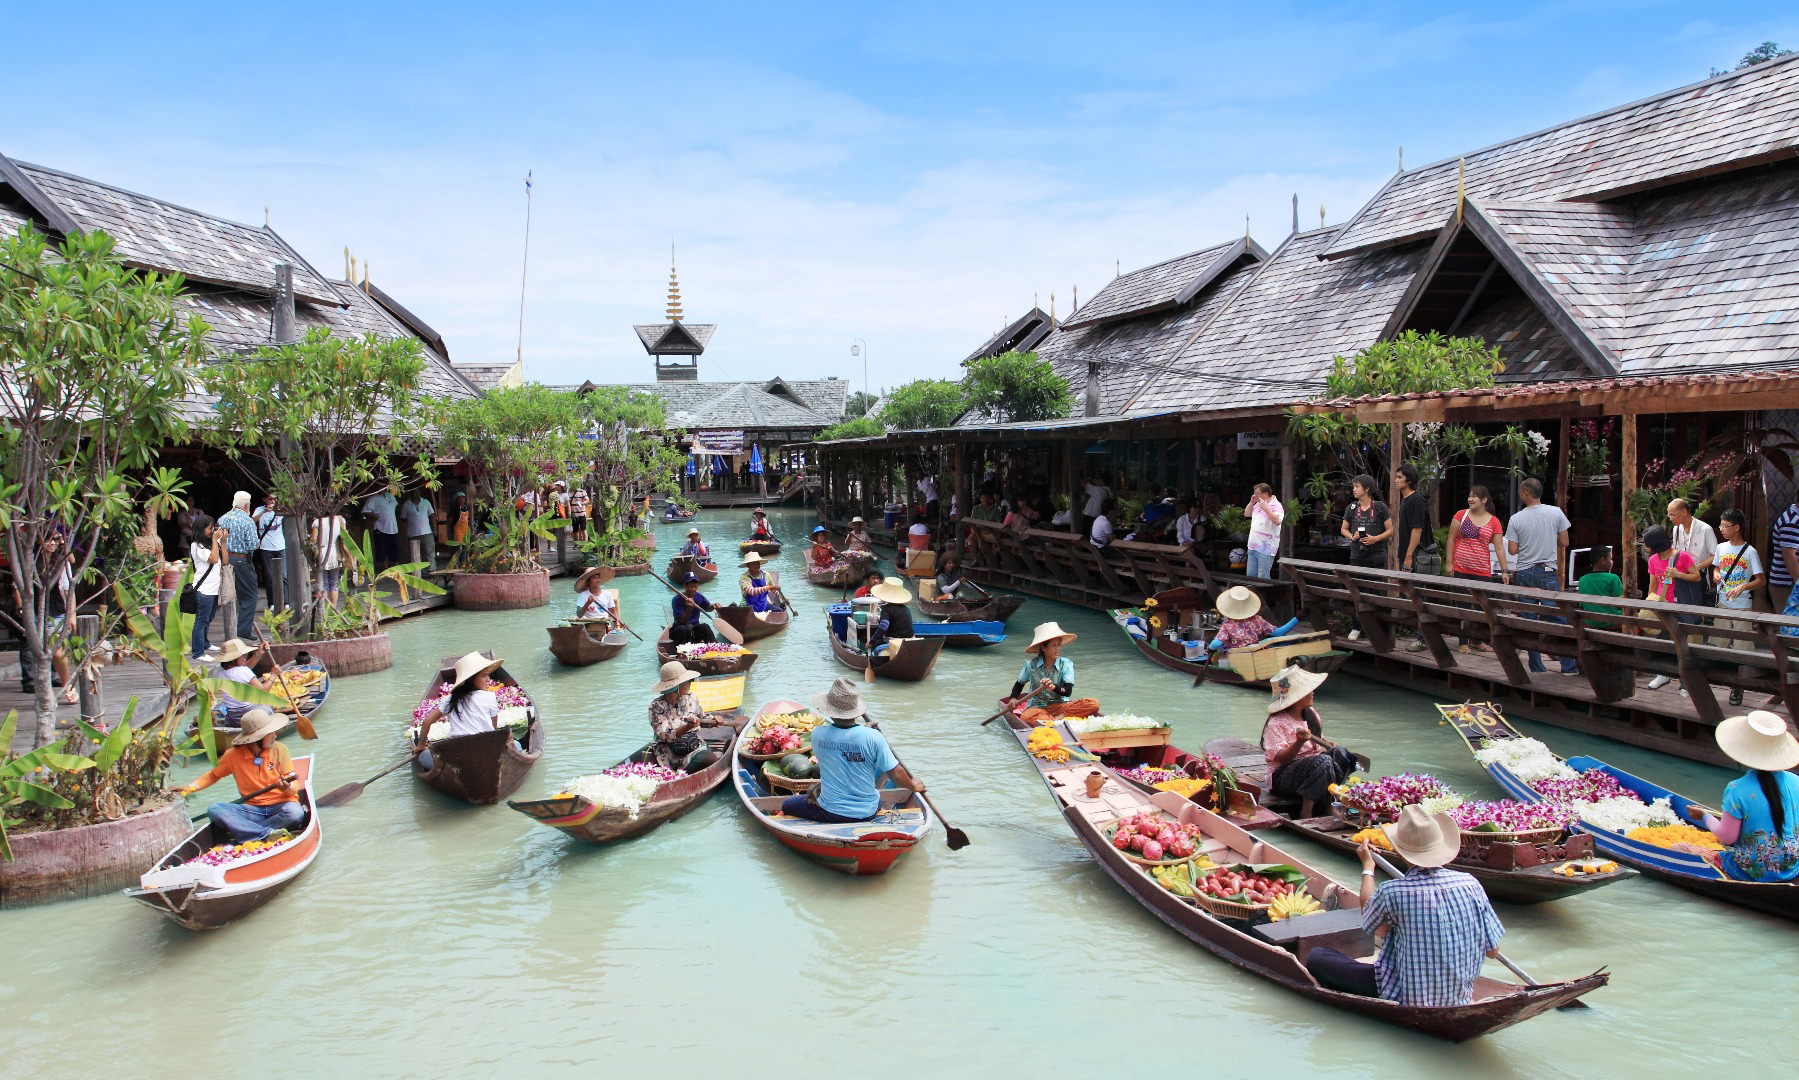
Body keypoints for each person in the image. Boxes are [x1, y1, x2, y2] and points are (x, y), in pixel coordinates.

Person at [1304, 805, 1504, 1006]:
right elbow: (1492, 951)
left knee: (1316, 957)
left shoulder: (1394, 892)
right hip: (1460, 995)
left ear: (1400, 850)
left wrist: (1367, 867)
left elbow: (1369, 917)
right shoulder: (1471, 883)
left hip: (1404, 993)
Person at [778, 678, 925, 824]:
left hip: (831, 812)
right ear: (855, 712)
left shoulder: (817, 734)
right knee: (876, 797)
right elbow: (897, 774)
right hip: (868, 812)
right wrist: (913, 786)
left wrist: (865, 731)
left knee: (787, 804)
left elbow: (842, 746)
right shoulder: (874, 737)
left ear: (830, 711)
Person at [1684, 710, 1799, 882]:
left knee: (1679, 847)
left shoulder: (1736, 788)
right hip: (1792, 868)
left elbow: (1726, 838)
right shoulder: (1796, 781)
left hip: (1749, 871)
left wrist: (1704, 816)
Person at [173, 708, 305, 842]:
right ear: (257, 737)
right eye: (270, 733)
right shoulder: (232, 755)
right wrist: (190, 788)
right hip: (252, 810)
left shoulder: (280, 749)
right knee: (215, 809)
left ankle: (246, 832)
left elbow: (293, 786)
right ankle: (264, 834)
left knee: (295, 813)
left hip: (281, 807)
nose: (274, 736)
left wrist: (286, 788)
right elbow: (213, 775)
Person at [1260, 665, 1365, 816]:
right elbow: (1282, 759)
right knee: (1323, 762)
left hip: (1313, 770)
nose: (1313, 692)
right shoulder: (1277, 723)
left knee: (1340, 754)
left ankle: (1330, 802)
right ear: (1297, 697)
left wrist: (1330, 744)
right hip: (1282, 776)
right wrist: (1299, 742)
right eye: (1309, 690)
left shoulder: (1311, 714)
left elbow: (1318, 740)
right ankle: (1307, 811)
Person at [1505, 478, 1577, 675]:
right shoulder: (1555, 512)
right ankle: (1569, 666)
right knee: (1557, 617)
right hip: (1546, 571)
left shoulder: (1516, 518)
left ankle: (1537, 666)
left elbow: (1512, 550)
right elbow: (1564, 541)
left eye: (1520, 492)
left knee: (1529, 619)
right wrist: (1547, 538)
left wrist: (1526, 541)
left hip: (1524, 572)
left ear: (1526, 493)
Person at [413, 652, 509, 770]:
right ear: (471, 679)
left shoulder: (450, 699)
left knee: (423, 756)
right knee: (517, 745)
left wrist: (421, 745)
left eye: (488, 675)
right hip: (485, 753)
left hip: (457, 756)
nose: (488, 679)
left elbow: (427, 721)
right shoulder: (489, 697)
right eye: (484, 676)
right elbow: (493, 727)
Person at [1711, 508, 1764, 706]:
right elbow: (1717, 567)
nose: (1722, 529)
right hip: (1723, 603)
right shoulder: (1721, 548)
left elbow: (1760, 580)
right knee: (1720, 645)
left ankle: (1738, 687)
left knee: (1742, 649)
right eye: (1721, 525)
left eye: (1726, 526)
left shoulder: (1750, 552)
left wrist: (1743, 586)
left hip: (1742, 606)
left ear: (1737, 527)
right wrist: (1716, 574)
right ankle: (1722, 681)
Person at [1644, 524, 1705, 693]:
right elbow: (1652, 584)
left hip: (1680, 606)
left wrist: (1678, 574)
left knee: (1683, 645)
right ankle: (1662, 674)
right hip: (1662, 606)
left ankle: (1685, 682)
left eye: (1648, 544)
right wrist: (1650, 604)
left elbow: (1696, 577)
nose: (1646, 548)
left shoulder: (1682, 556)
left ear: (1656, 544)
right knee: (1663, 642)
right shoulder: (1653, 560)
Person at [1447, 485, 1506, 652]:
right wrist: (1449, 563)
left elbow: (1499, 548)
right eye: (1469, 496)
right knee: (1463, 606)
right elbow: (1451, 539)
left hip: (1482, 571)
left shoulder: (1494, 521)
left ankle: (1477, 640)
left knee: (1483, 607)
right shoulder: (1461, 515)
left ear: (1484, 500)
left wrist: (1504, 570)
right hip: (1460, 568)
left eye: (1474, 496)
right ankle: (1463, 642)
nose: (1470, 499)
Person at [1009, 621, 1100, 725]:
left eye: (1058, 645)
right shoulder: (1030, 665)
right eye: (1054, 646)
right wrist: (1013, 698)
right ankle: (1055, 720)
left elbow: (1067, 691)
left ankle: (1055, 720)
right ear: (1043, 648)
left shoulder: (1066, 664)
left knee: (1093, 704)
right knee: (1026, 717)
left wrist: (1053, 687)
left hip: (1060, 706)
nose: (1058, 649)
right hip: (1037, 707)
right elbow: (1019, 684)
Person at [648, 662, 709, 770]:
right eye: (686, 681)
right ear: (675, 686)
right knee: (706, 760)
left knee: (709, 759)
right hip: (669, 752)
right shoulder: (656, 706)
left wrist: (713, 720)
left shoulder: (691, 698)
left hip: (693, 745)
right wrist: (688, 726)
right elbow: (666, 736)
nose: (690, 683)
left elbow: (702, 718)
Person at [217, 491, 261, 638]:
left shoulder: (222, 518)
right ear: (247, 504)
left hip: (224, 560)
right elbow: (253, 545)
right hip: (242, 560)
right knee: (249, 595)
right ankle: (242, 630)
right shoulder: (247, 521)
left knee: (227, 593)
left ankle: (229, 629)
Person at [1207, 585, 1299, 654]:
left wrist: (1210, 649)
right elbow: (1278, 633)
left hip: (1237, 657)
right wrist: (1297, 618)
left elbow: (1216, 643)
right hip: (1256, 652)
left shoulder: (1227, 624)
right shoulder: (1257, 619)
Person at [188, 514, 224, 660]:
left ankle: (205, 643)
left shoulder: (210, 544)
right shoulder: (197, 546)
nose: (212, 531)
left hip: (213, 588)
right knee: (201, 620)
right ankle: (198, 652)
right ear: (201, 529)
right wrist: (215, 539)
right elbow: (214, 559)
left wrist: (222, 541)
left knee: (208, 618)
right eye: (210, 529)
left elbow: (224, 559)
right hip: (204, 589)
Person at [1341, 474, 1391, 568]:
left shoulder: (1379, 507)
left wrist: (1375, 539)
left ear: (1366, 488)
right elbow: (1343, 529)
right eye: (1353, 486)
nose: (1353, 489)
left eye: (1357, 486)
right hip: (1357, 557)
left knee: (1375, 583)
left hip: (1376, 557)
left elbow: (1390, 531)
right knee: (1356, 582)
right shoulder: (1352, 507)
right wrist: (1352, 536)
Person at [1393, 465, 1436, 575]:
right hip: (1406, 556)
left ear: (1410, 481)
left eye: (1399, 477)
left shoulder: (1416, 499)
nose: (1396, 480)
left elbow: (1417, 529)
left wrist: (1408, 557)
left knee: (1413, 591)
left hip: (1416, 557)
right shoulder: (1405, 500)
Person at [1669, 497, 1718, 588]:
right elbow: (1675, 550)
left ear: (1684, 512)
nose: (1671, 519)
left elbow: (1715, 555)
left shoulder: (1705, 529)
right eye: (1669, 516)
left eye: (1672, 515)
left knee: (1697, 601)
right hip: (1680, 575)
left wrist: (1698, 567)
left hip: (1698, 575)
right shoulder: (1676, 528)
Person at [251, 492, 286, 614]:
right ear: (264, 499)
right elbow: (252, 520)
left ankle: (285, 602)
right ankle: (271, 602)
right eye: (270, 499)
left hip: (280, 546)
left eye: (275, 499)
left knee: (284, 576)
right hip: (266, 548)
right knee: (270, 577)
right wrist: (265, 511)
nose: (272, 501)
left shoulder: (280, 509)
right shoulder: (259, 510)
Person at [1576, 547, 1625, 631]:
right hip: (1611, 622)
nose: (1612, 562)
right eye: (1610, 559)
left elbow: (1582, 605)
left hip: (1590, 622)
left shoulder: (1582, 579)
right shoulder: (1613, 578)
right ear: (1602, 560)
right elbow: (1619, 603)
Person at [311, 507, 348, 609]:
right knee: (334, 583)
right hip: (336, 552)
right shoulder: (338, 520)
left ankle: (325, 609)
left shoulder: (317, 522)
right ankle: (334, 607)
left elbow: (313, 539)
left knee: (324, 584)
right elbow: (345, 536)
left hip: (322, 552)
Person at [1244, 484, 1284, 579]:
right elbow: (1247, 514)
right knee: (1250, 576)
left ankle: (1264, 594)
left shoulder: (1277, 505)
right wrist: (1251, 502)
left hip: (1266, 548)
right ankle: (1254, 593)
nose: (1254, 495)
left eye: (1257, 493)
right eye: (1254, 493)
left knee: (1263, 577)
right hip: (1253, 545)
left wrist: (1266, 509)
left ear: (1265, 494)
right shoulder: (1258, 504)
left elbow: (1277, 521)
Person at [1769, 496, 1799, 616]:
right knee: (1790, 628)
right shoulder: (1792, 522)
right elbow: (1789, 555)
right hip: (1787, 584)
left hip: (1789, 583)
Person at [866, 576, 914, 652]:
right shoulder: (906, 609)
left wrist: (870, 642)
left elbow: (883, 627)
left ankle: (870, 663)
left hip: (894, 642)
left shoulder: (886, 609)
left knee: (874, 648)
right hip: (909, 641)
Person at [669, 573, 717, 646]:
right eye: (691, 586)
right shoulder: (676, 599)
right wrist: (689, 608)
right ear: (684, 586)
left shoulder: (699, 596)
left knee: (704, 626)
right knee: (682, 629)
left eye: (695, 586)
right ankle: (682, 652)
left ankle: (714, 648)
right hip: (680, 632)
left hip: (694, 630)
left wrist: (713, 606)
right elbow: (682, 621)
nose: (694, 589)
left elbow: (707, 608)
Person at [361, 485, 401, 569]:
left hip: (393, 527)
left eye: (383, 487)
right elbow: (365, 511)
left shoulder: (390, 496)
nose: (381, 489)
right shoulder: (373, 499)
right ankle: (384, 565)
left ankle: (395, 564)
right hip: (380, 527)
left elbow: (396, 507)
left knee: (394, 546)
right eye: (380, 487)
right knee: (381, 547)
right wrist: (374, 515)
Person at [400, 490, 435, 569]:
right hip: (413, 534)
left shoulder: (426, 502)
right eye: (415, 492)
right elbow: (403, 518)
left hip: (427, 532)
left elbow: (432, 515)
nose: (417, 493)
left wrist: (434, 528)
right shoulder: (406, 504)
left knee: (429, 554)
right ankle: (418, 573)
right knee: (415, 555)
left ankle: (431, 571)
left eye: (418, 492)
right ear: (411, 493)